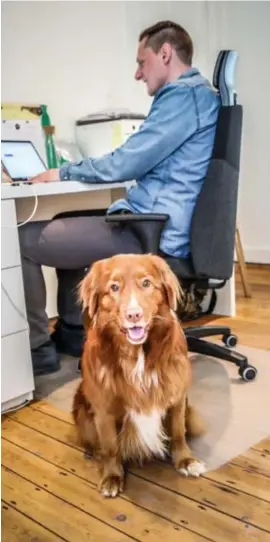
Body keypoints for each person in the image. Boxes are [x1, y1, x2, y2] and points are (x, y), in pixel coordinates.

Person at [19, 20, 220, 376]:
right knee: (61, 222)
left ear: (165, 53)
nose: (138, 74)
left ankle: (37, 348)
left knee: (23, 239)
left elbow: (128, 161)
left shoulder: (182, 96)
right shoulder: (199, 95)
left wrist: (62, 171)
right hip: (158, 222)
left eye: (142, 62)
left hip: (151, 231)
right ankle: (72, 331)